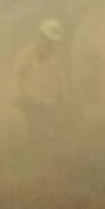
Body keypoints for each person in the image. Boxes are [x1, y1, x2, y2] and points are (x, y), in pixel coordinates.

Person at [15, 19, 67, 150]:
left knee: (48, 129)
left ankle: (42, 148)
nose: (49, 44)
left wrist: (57, 94)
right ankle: (35, 148)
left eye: (52, 42)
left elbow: (58, 80)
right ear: (40, 37)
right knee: (36, 125)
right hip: (29, 98)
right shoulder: (26, 54)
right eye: (47, 40)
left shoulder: (56, 58)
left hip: (49, 100)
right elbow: (19, 73)